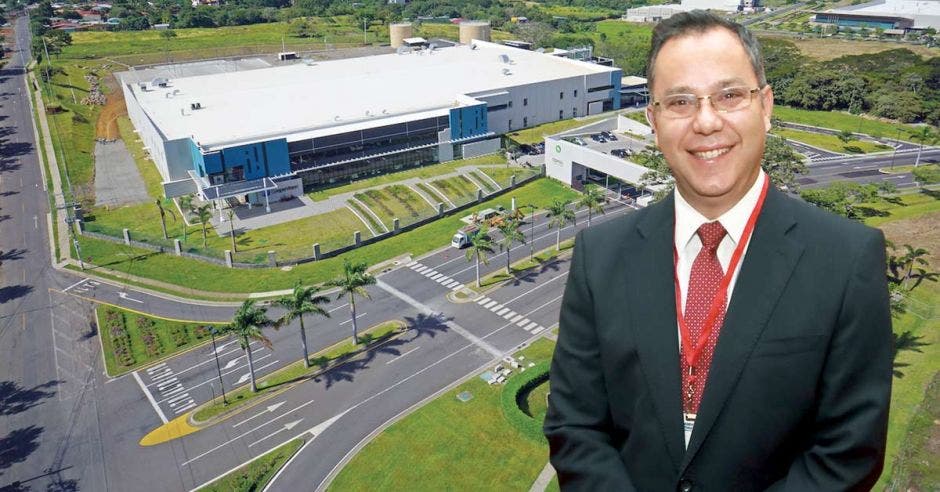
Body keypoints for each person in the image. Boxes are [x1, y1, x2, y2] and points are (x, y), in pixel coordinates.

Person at [544, 11, 892, 491]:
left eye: (729, 96)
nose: (707, 123)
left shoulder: (847, 258)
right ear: (653, 120)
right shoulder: (599, 256)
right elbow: (574, 427)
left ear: (766, 106)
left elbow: (848, 452)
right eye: (680, 102)